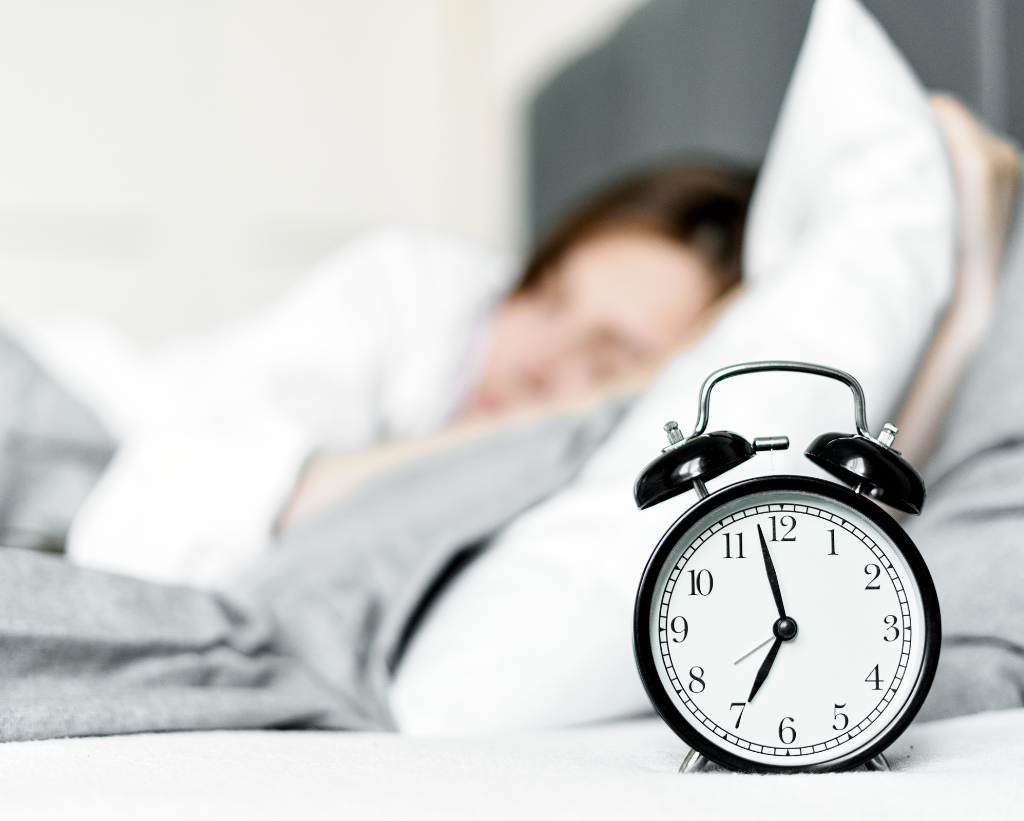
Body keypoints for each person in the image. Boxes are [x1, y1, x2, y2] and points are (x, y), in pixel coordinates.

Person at [26, 165, 753, 586]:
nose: (536, 357)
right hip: (58, 405)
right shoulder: (406, 285)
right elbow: (164, 520)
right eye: (545, 297)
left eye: (605, 360)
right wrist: (534, 422)